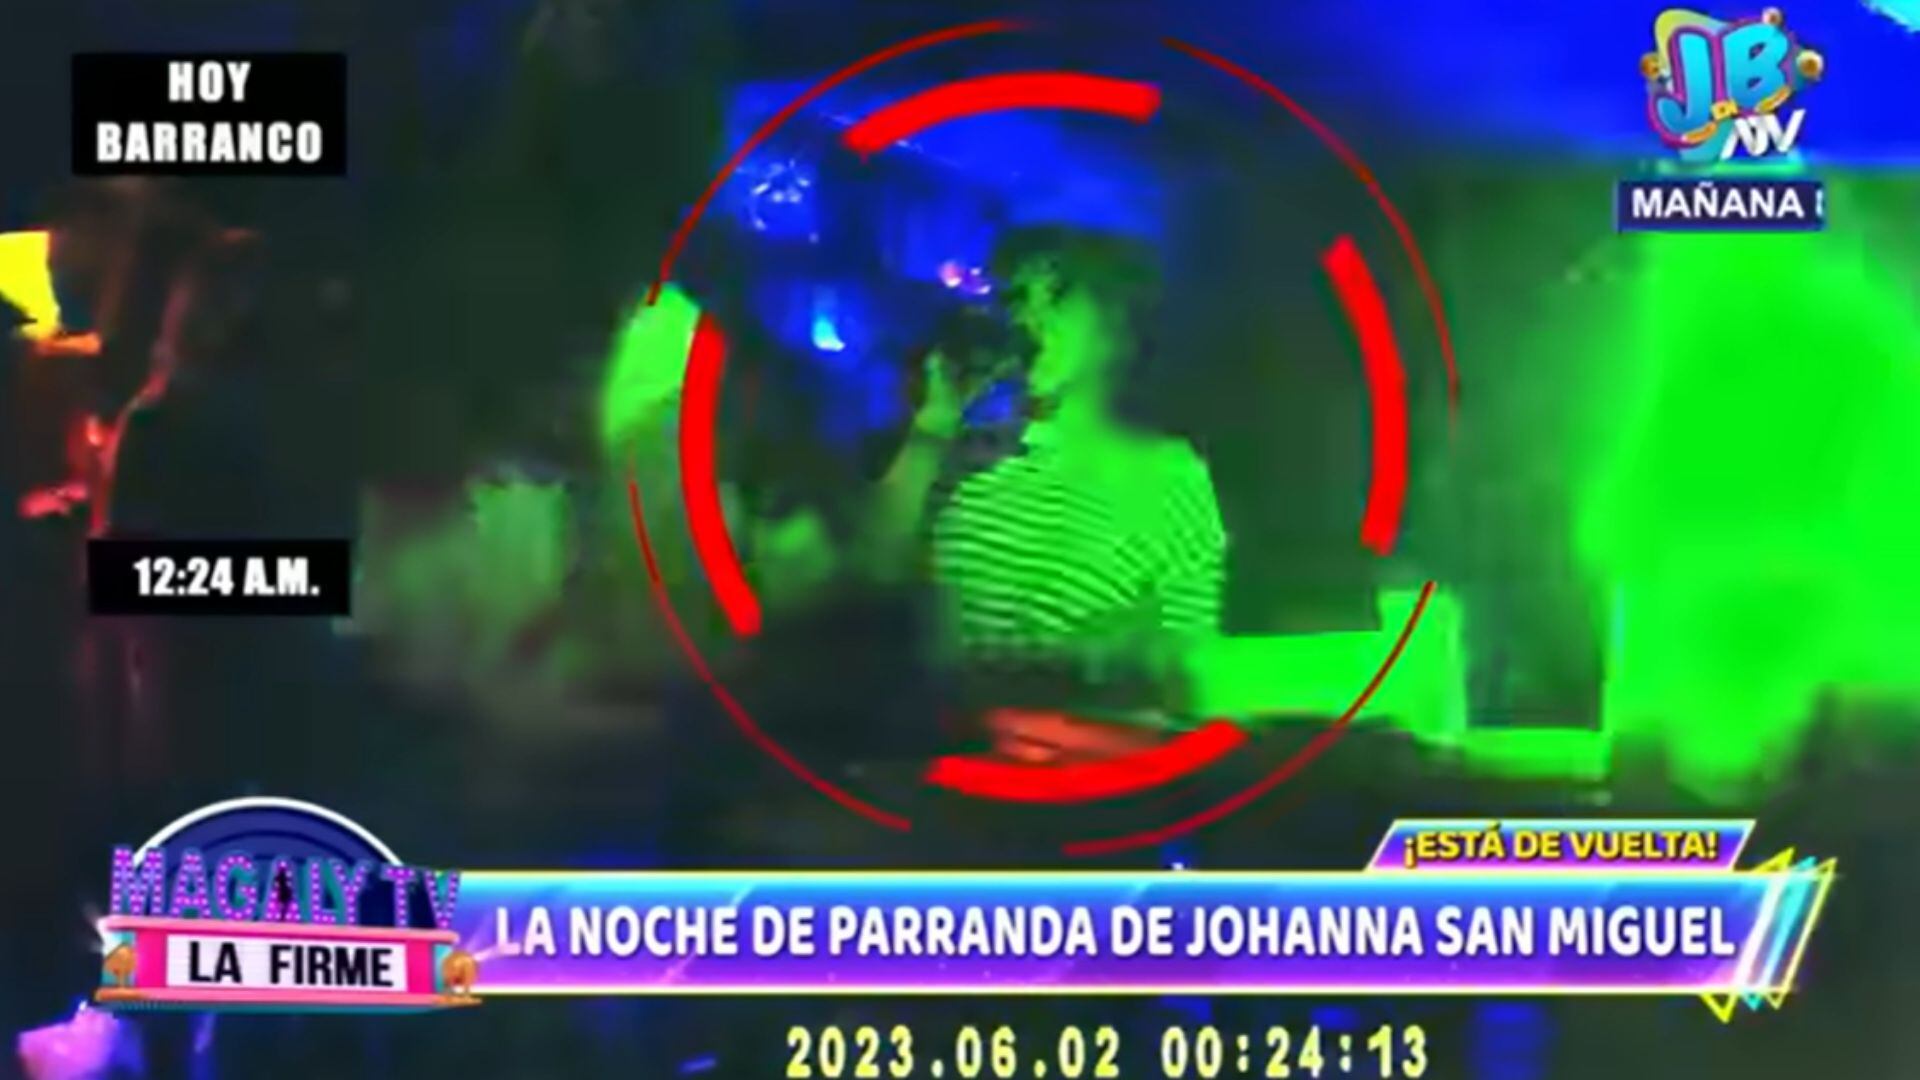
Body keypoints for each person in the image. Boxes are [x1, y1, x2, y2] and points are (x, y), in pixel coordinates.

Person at [862, 227, 1230, 763]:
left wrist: (1118, 653)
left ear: (1113, 328)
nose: (1030, 318)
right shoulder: (963, 457)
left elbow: (1186, 662)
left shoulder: (1166, 473)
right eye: (1019, 299)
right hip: (949, 761)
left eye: (1057, 298)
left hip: (1077, 771)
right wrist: (932, 425)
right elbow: (871, 574)